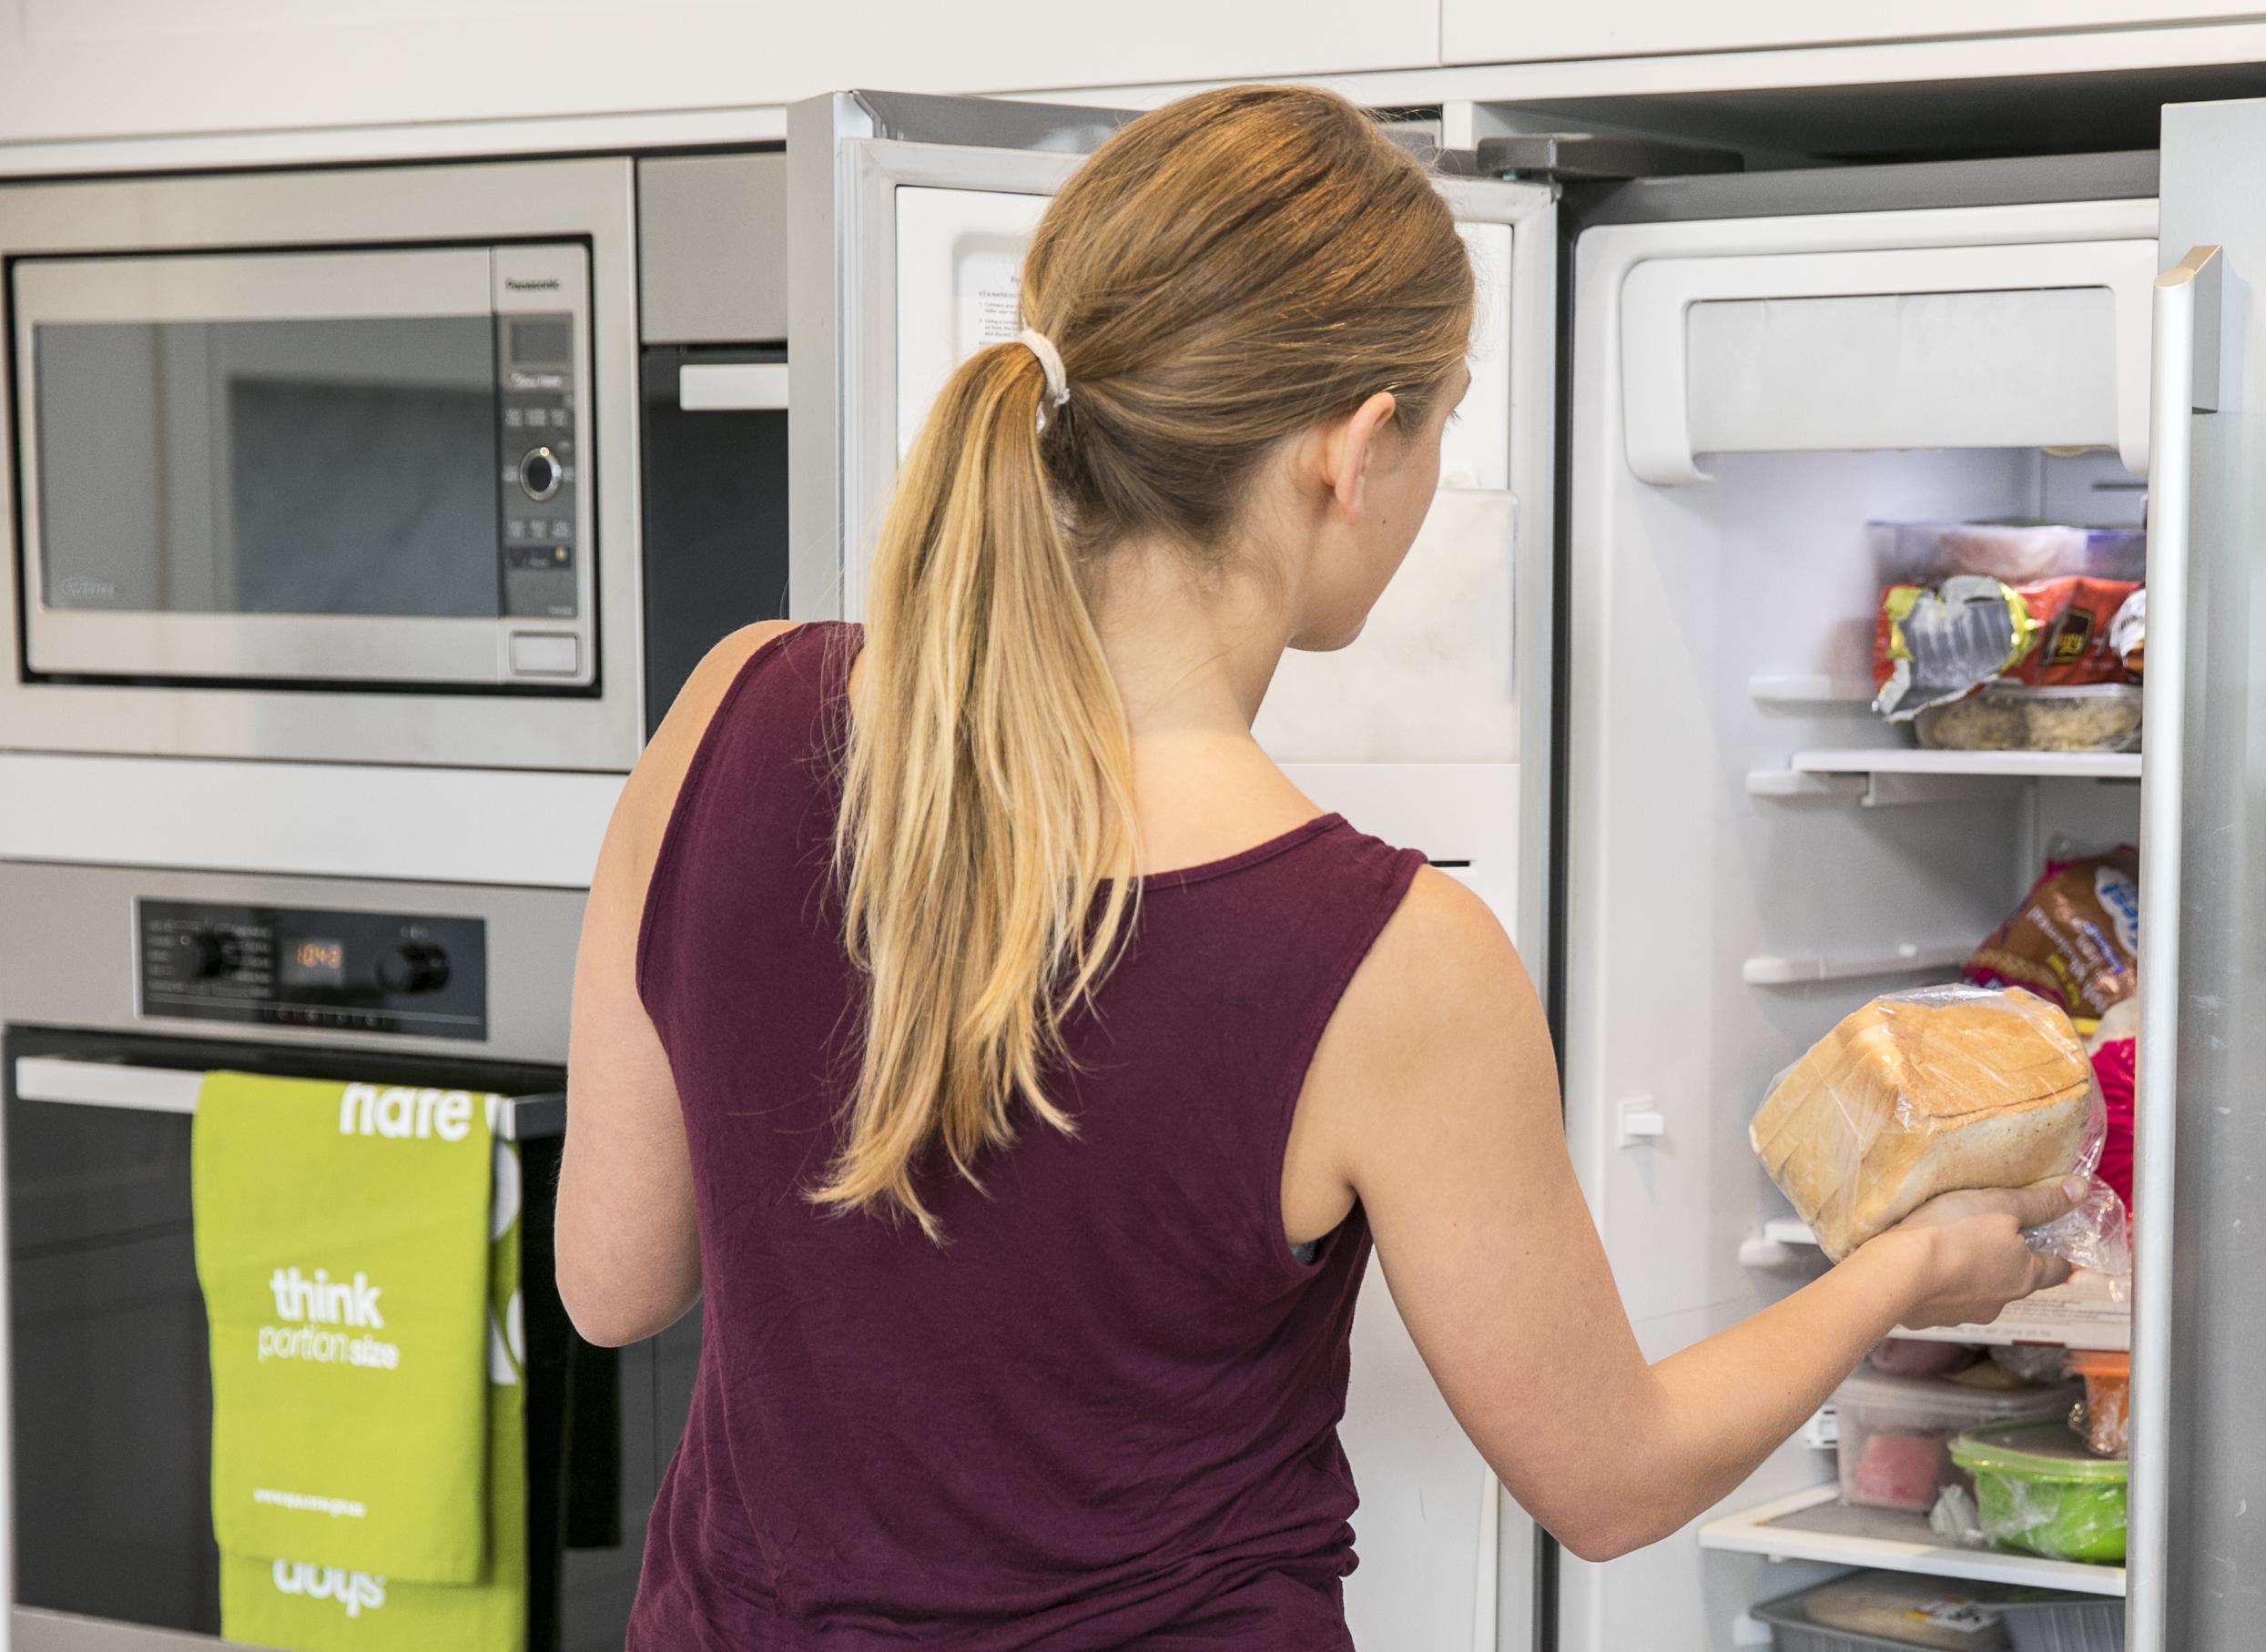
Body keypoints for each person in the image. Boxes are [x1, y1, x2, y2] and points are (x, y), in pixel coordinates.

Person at [555, 84, 2081, 1651]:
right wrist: (1902, 1272)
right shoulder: (1381, 956)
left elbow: (613, 1284)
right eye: (1445, 420)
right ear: (1355, 452)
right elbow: (1610, 1480)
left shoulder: (732, 711)